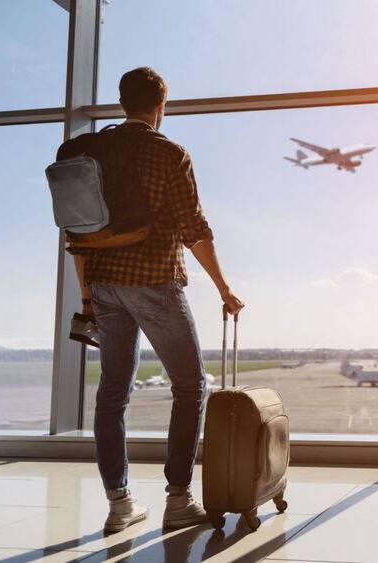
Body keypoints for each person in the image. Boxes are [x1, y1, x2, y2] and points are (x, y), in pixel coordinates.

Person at [68, 67, 243, 533]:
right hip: (153, 281)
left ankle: (119, 502)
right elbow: (194, 230)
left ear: (123, 102)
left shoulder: (90, 152)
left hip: (103, 285)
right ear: (160, 106)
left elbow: (76, 235)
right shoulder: (169, 153)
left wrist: (88, 295)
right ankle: (179, 497)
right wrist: (224, 288)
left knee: (113, 392)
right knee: (189, 386)